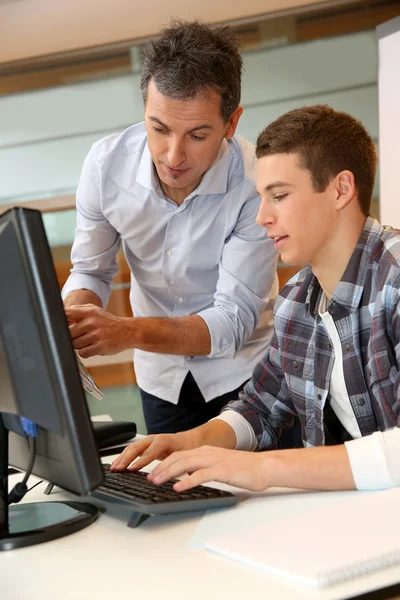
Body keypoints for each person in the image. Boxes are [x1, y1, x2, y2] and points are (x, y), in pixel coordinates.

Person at [111, 104, 400, 494]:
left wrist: (263, 468)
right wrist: (189, 442)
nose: (262, 216)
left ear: (340, 189)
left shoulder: (395, 277)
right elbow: (262, 405)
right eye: (261, 197)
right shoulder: (297, 301)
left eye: (278, 195)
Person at [62, 20, 279, 434]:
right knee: (174, 493)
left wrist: (126, 332)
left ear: (230, 125)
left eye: (197, 135)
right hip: (162, 379)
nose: (173, 155)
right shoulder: (106, 167)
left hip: (245, 372)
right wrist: (72, 319)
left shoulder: (256, 184)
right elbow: (90, 269)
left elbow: (232, 322)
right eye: (159, 129)